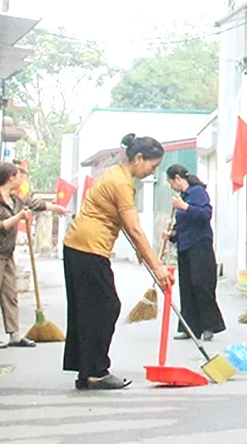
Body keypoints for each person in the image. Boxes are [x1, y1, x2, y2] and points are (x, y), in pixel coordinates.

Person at [62, 133, 169, 390]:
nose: (151, 172)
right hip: (89, 247)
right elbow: (134, 228)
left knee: (89, 310)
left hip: (78, 244)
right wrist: (157, 267)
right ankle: (96, 371)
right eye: (152, 166)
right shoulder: (122, 184)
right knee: (106, 306)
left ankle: (88, 371)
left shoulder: (114, 174)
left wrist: (146, 256)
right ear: (138, 158)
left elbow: (121, 222)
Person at [0, 162, 68, 349]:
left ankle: (14, 334)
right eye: (18, 175)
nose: (21, 179)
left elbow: (34, 204)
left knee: (10, 294)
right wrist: (18, 217)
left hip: (6, 253)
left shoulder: (15, 199)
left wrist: (55, 208)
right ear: (10, 178)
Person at [164, 164, 225, 342]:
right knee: (187, 287)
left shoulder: (197, 192)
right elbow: (182, 224)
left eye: (171, 182)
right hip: (185, 246)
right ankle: (189, 327)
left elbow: (205, 215)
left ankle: (209, 326)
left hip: (200, 244)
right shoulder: (182, 197)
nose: (172, 187)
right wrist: (172, 233)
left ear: (177, 178)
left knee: (201, 285)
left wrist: (185, 207)